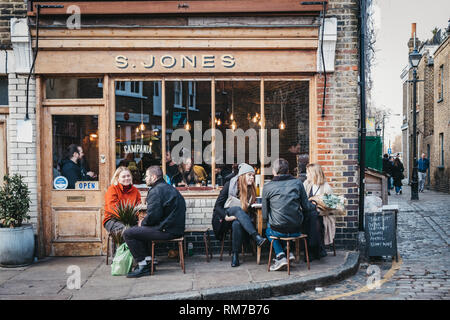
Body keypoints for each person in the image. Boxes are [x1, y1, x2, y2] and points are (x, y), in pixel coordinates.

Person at [123, 166, 186, 278]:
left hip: (167, 230)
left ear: (153, 177)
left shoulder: (156, 191)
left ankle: (142, 266)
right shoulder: (169, 188)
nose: (145, 179)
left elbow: (153, 216)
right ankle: (149, 262)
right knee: (142, 231)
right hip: (175, 228)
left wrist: (142, 223)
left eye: (147, 176)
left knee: (128, 233)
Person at [263, 158, 318, 271]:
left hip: (278, 229)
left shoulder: (268, 187)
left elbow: (264, 214)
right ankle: (289, 253)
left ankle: (281, 255)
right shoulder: (298, 183)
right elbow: (306, 206)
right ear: (288, 171)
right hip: (296, 229)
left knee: (268, 229)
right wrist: (315, 205)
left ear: (274, 171)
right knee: (284, 222)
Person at [212, 163, 267, 267]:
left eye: (253, 176)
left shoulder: (251, 189)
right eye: (249, 175)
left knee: (237, 223)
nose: (252, 178)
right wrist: (226, 217)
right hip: (225, 218)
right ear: (242, 176)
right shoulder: (230, 185)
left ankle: (235, 255)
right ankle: (256, 237)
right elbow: (217, 207)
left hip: (241, 220)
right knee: (237, 209)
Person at [303, 163, 335, 254]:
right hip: (307, 214)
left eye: (307, 173)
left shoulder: (326, 187)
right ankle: (317, 249)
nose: (306, 175)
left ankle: (312, 249)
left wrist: (318, 209)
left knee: (315, 218)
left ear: (314, 174)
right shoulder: (306, 184)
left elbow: (331, 207)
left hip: (322, 216)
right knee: (311, 217)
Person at [103, 166, 142, 234]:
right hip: (113, 219)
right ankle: (123, 245)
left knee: (143, 229)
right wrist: (125, 219)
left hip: (131, 220)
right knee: (126, 230)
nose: (126, 178)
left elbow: (139, 207)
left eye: (128, 176)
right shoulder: (113, 189)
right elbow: (112, 208)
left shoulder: (135, 190)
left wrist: (140, 220)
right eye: (123, 177)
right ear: (117, 178)